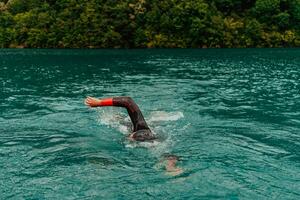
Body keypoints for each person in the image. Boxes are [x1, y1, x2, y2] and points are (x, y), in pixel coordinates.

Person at [85, 96, 156, 141]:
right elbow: (128, 100)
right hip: (133, 123)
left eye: (130, 138)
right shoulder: (141, 126)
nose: (129, 138)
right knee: (117, 120)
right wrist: (99, 102)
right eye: (131, 137)